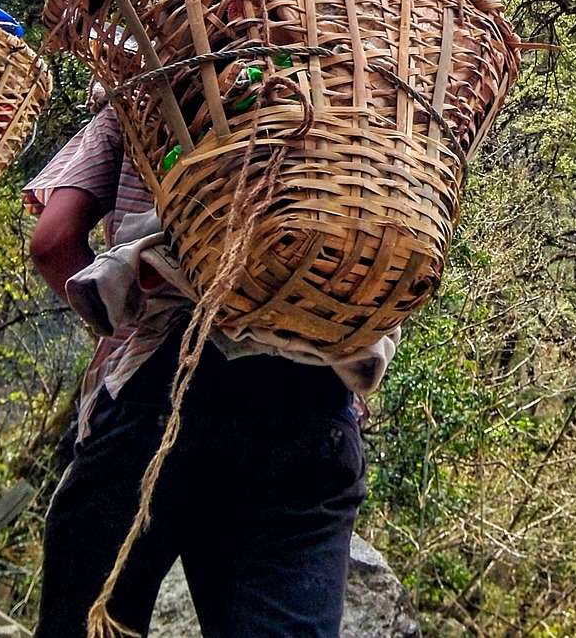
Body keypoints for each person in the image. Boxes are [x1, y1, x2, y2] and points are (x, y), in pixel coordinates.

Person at [26, 102, 395, 638]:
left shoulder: (149, 92)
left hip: (162, 392)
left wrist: (116, 323)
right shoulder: (375, 114)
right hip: (313, 410)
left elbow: (52, 243)